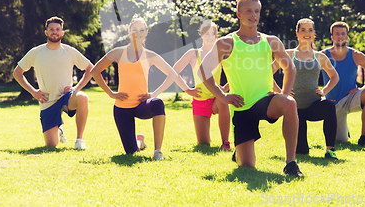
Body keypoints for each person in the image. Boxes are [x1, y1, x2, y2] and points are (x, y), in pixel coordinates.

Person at [198, 0, 303, 177]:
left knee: (290, 103)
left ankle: (291, 162)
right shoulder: (226, 43)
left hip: (266, 101)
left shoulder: (271, 41)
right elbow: (203, 71)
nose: (253, 15)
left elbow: (290, 68)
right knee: (246, 166)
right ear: (238, 14)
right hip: (242, 107)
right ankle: (239, 151)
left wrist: (285, 94)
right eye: (248, 11)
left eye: (256, 11)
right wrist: (222, 96)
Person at [91, 18, 177, 160]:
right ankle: (140, 142)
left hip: (141, 105)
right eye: (134, 30)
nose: (138, 33)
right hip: (122, 107)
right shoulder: (118, 52)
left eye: (141, 30)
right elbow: (95, 71)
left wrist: (153, 94)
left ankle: (158, 152)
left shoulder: (150, 55)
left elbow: (172, 74)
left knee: (158, 103)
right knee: (131, 152)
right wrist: (111, 94)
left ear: (146, 33)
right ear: (129, 32)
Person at [13, 17, 93, 149]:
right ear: (46, 32)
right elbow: (17, 73)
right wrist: (34, 92)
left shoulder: (70, 51)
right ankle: (59, 130)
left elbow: (90, 69)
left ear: (62, 33)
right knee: (51, 145)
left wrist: (76, 88)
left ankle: (79, 140)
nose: (54, 32)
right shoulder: (36, 52)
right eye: (51, 29)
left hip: (66, 96)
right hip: (47, 100)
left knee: (83, 97)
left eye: (57, 29)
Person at [273, 18, 339, 159]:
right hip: (294, 109)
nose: (307, 33)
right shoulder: (288, 54)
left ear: (314, 33)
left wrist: (324, 91)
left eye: (310, 30)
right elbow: (267, 73)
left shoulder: (320, 57)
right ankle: (302, 145)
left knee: (329, 105)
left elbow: (335, 77)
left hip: (313, 105)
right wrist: (280, 92)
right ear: (297, 33)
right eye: (303, 30)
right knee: (302, 151)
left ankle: (330, 150)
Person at [173, 20, 232, 151]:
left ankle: (225, 142)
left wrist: (225, 88)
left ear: (216, 35)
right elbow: (174, 71)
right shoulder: (193, 53)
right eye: (207, 33)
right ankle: (207, 137)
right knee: (203, 143)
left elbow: (235, 73)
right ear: (201, 35)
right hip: (200, 101)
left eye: (213, 34)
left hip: (216, 98)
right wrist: (188, 90)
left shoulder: (221, 54)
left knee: (223, 99)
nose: (210, 36)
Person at [321, 21, 365, 147]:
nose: (340, 36)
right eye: (337, 34)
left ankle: (364, 138)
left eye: (343, 34)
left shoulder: (356, 55)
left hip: (350, 98)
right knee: (340, 141)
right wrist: (321, 96)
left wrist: (364, 88)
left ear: (347, 37)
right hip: (332, 104)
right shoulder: (322, 56)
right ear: (332, 37)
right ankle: (344, 130)